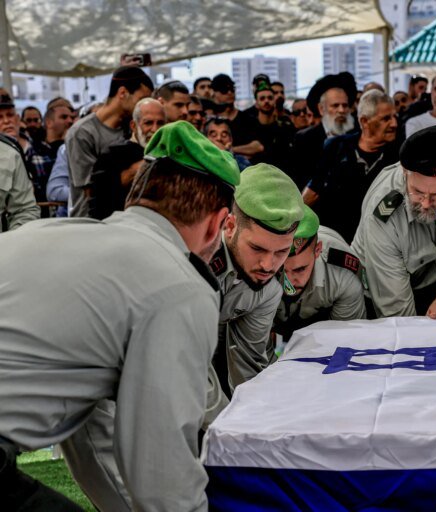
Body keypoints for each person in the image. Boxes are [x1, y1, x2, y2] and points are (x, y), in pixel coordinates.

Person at [0, 121, 240, 511]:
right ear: (218, 223)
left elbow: (90, 437)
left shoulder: (59, 233)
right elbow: (161, 471)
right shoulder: (178, 284)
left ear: (136, 197)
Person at [352, 125, 436, 318]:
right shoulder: (382, 215)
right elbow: (396, 311)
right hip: (383, 291)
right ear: (405, 173)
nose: (426, 203)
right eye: (418, 192)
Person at [210, 163, 305, 391]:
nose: (268, 265)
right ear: (230, 226)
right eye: (257, 248)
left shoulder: (269, 288)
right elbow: (181, 365)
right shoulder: (199, 262)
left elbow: (248, 364)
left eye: (281, 252)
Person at [303, 89, 399, 243]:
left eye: (395, 117)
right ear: (364, 121)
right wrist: (292, 224)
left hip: (379, 241)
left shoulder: (398, 155)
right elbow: (314, 190)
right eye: (386, 118)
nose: (394, 123)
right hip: (334, 240)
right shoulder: (336, 147)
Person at [66, 66, 153, 217]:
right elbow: (91, 190)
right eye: (140, 100)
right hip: (90, 224)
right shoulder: (82, 133)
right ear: (123, 93)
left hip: (125, 220)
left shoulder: (131, 129)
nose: (143, 107)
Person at [273, 205, 366, 342]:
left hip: (325, 326)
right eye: (281, 270)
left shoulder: (342, 275)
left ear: (318, 250)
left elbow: (347, 340)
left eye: (300, 269)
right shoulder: (255, 267)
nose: (290, 282)